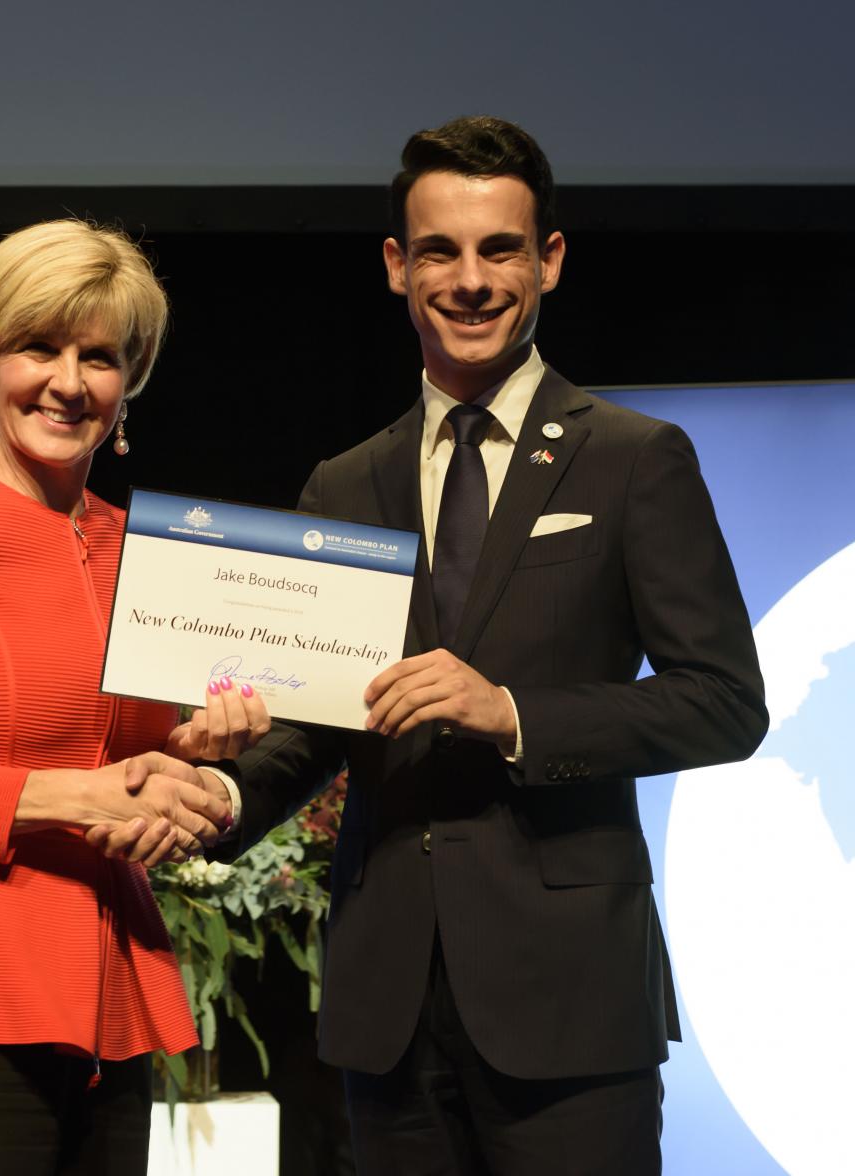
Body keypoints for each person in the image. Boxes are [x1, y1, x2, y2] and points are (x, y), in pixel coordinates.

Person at [116, 116, 769, 1174]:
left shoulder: (635, 461)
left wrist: (511, 712)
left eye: (500, 249)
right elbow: (323, 719)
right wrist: (227, 791)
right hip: (389, 1009)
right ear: (395, 266)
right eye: (440, 251)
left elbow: (724, 701)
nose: (471, 281)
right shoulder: (344, 483)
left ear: (549, 259)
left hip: (570, 1006)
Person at [0, 218, 267, 1176]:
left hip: (111, 1007)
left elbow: (130, 759)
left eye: (100, 356)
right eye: (39, 345)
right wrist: (75, 796)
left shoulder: (143, 548)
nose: (69, 381)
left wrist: (202, 752)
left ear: (129, 382)